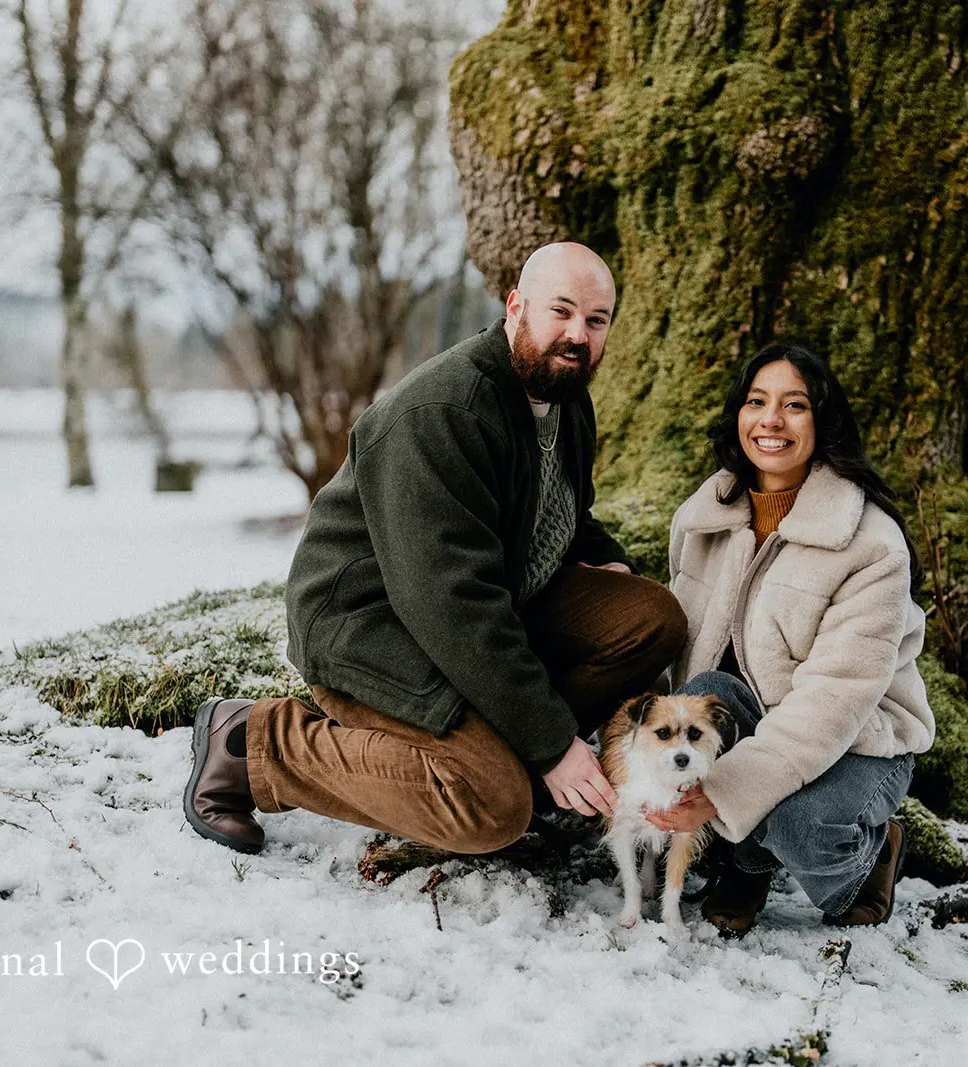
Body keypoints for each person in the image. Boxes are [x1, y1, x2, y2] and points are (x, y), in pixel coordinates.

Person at [184, 242, 686, 856]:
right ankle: (254, 743)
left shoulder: (564, 396)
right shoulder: (444, 412)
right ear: (516, 307)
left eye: (596, 319)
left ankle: (521, 769)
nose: (577, 335)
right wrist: (553, 743)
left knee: (650, 618)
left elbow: (557, 510)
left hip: (484, 602)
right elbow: (451, 604)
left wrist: (610, 560)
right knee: (491, 805)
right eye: (561, 311)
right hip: (375, 625)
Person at [643, 343, 935, 936]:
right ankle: (748, 862)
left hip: (860, 739)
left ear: (822, 422)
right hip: (758, 716)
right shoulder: (705, 514)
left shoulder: (871, 544)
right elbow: (683, 654)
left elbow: (834, 702)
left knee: (799, 824)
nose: (771, 421)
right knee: (704, 693)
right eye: (757, 402)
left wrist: (724, 790)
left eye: (794, 405)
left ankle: (871, 857)